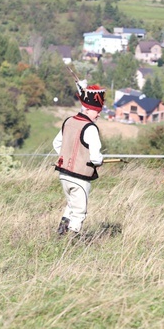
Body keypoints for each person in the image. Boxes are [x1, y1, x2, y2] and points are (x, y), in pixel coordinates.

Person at [53, 80, 105, 235]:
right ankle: (71, 242)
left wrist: (66, 156)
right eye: (97, 110)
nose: (99, 114)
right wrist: (100, 161)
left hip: (63, 175)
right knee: (79, 212)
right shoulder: (91, 128)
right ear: (88, 109)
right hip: (80, 177)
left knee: (70, 205)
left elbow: (56, 143)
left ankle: (61, 234)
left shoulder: (68, 121)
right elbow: (96, 158)